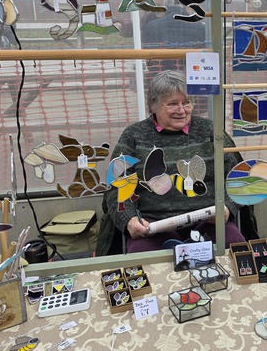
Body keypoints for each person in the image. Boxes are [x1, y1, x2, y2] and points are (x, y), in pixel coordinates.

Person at [97, 70, 246, 254]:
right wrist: (129, 219)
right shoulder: (133, 136)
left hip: (209, 221)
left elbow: (238, 176)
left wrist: (228, 208)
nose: (181, 110)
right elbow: (117, 185)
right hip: (153, 226)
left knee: (235, 247)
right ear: (153, 105)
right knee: (142, 258)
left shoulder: (211, 131)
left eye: (186, 102)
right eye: (173, 104)